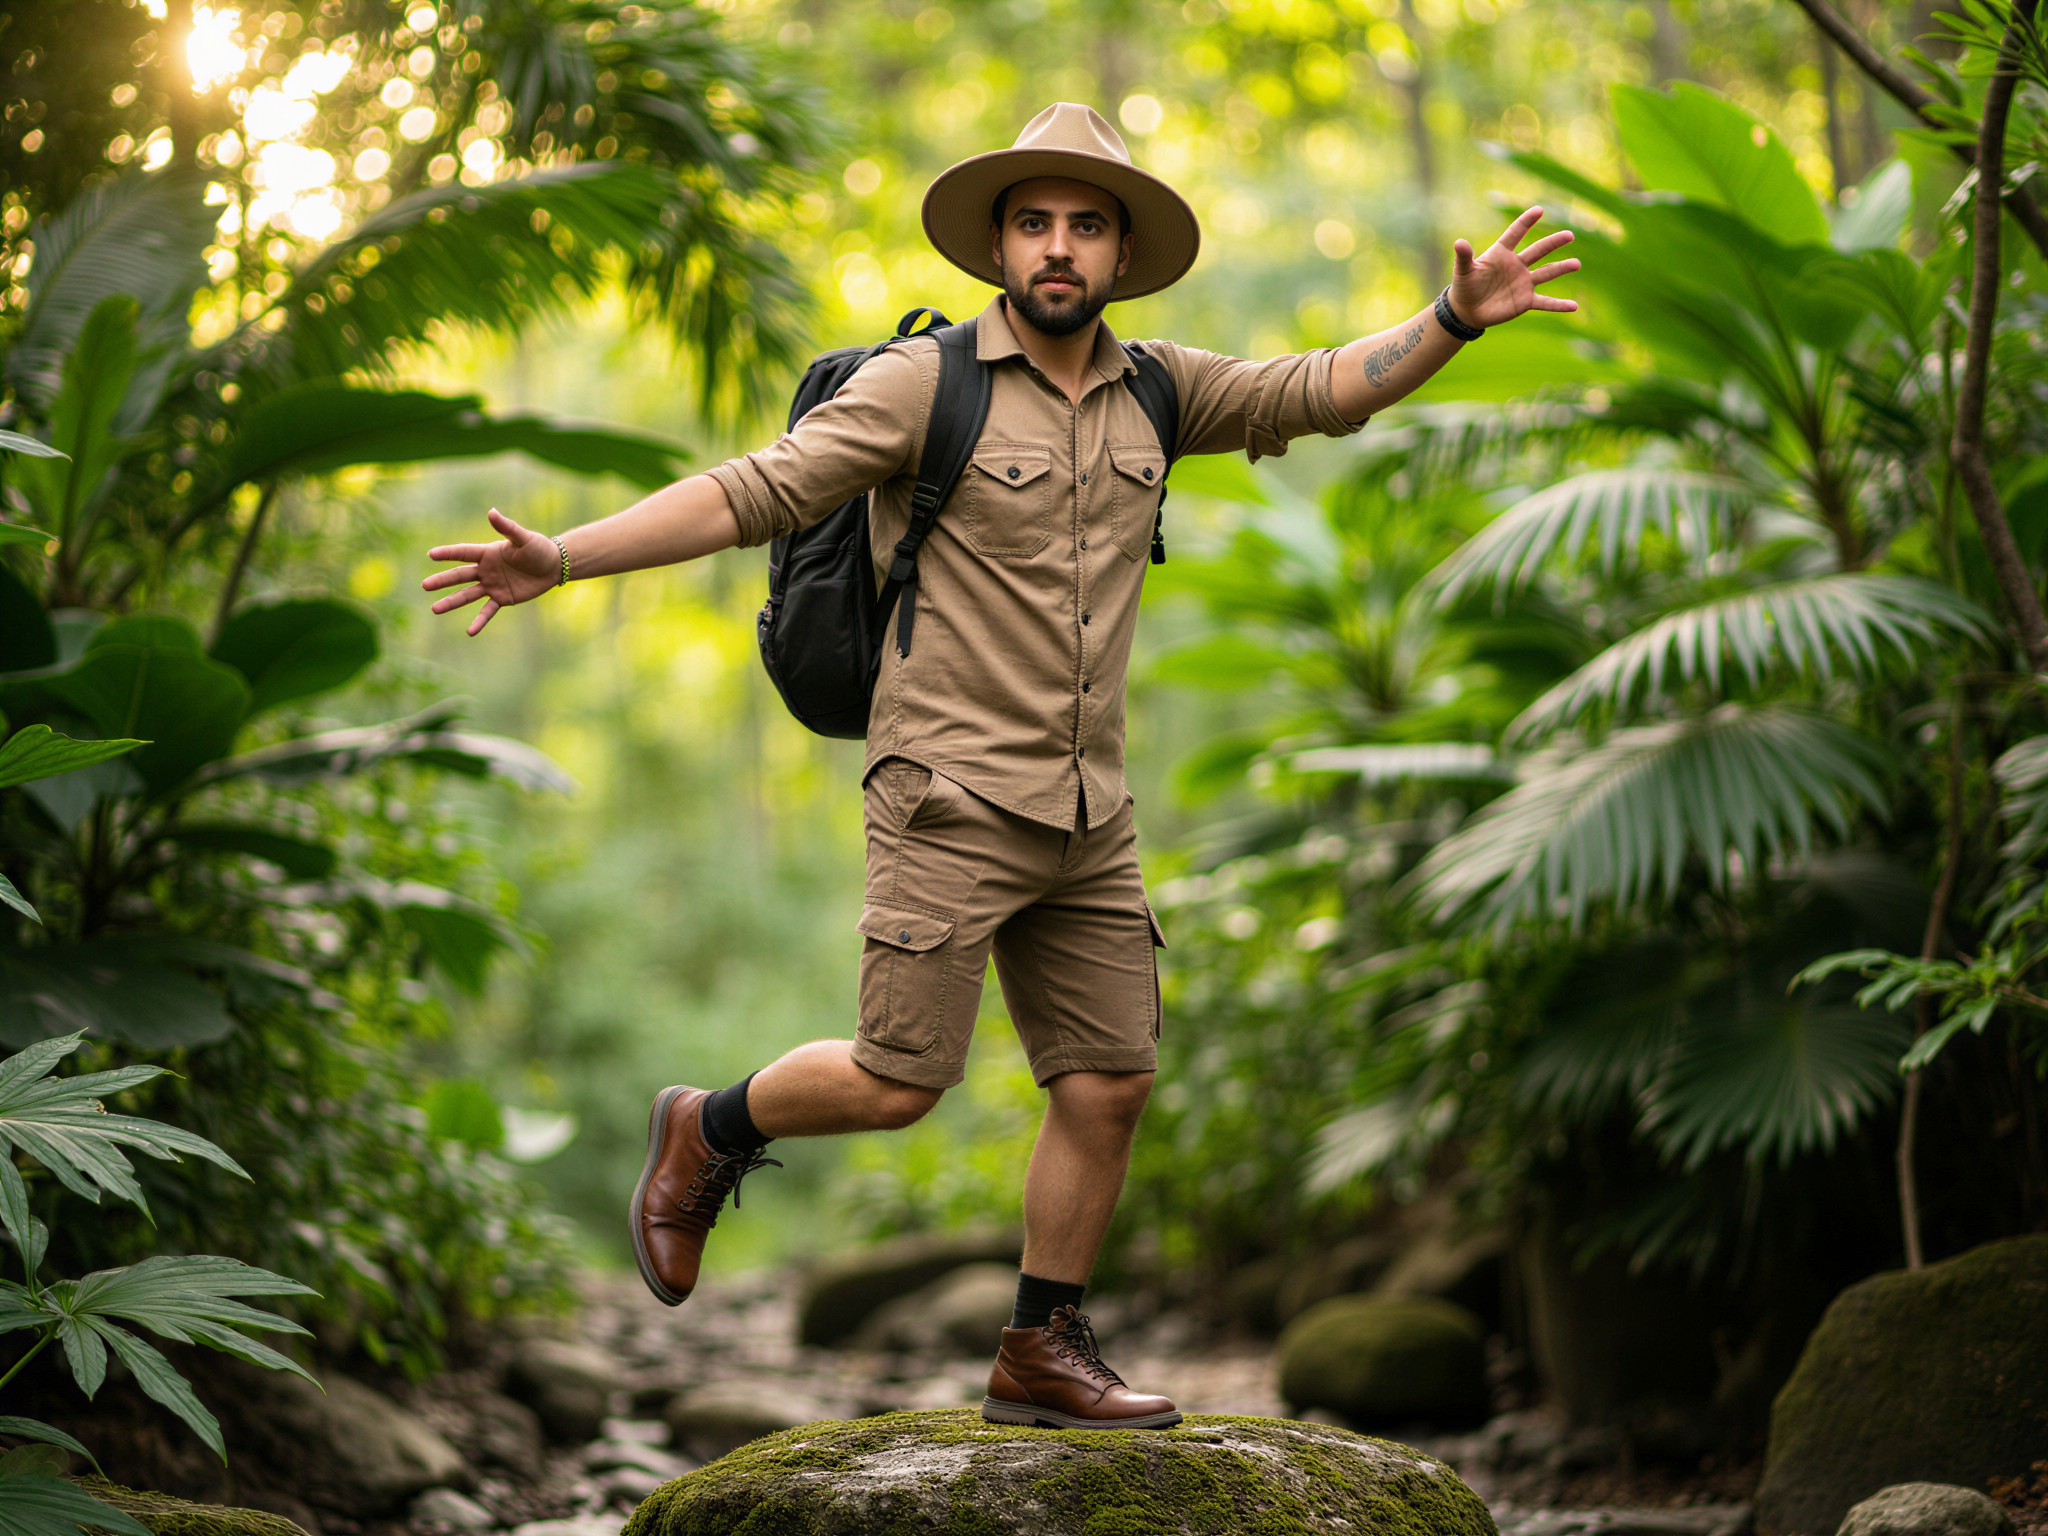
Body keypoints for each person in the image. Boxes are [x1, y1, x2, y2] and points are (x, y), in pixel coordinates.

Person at [422, 102, 1580, 1431]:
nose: (1059, 245)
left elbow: (1321, 389)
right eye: (1036, 221)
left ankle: (1041, 1346)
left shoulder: (1161, 388)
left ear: (1120, 253)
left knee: (1111, 1081)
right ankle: (713, 1123)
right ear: (997, 243)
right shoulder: (927, 386)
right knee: (898, 1080)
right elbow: (756, 490)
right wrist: (565, 554)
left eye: (1087, 224)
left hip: (1090, 810)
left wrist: (1453, 322)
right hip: (950, 795)